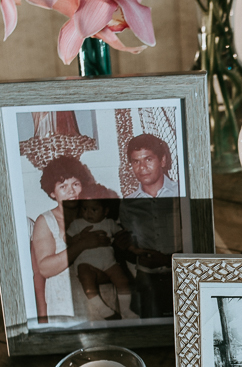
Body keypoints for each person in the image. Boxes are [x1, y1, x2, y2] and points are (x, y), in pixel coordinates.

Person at [31, 156, 112, 320]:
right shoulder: (46, 221)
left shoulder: (96, 214)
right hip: (64, 304)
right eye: (63, 186)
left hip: (101, 299)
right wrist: (82, 245)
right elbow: (45, 269)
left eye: (76, 184)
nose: (71, 191)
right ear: (52, 192)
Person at [117, 134, 181, 319]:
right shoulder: (128, 203)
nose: (142, 167)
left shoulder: (182, 193)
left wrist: (165, 259)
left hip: (180, 274)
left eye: (148, 159)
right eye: (135, 162)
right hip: (147, 280)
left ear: (162, 160)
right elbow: (129, 250)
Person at [67, 199, 137, 320]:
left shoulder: (110, 223)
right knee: (86, 278)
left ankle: (125, 310)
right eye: (84, 209)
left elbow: (122, 237)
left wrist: (134, 248)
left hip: (109, 263)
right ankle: (102, 309)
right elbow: (67, 240)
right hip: (86, 263)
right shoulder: (77, 224)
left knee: (123, 281)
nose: (88, 213)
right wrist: (79, 237)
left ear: (105, 211)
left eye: (94, 209)